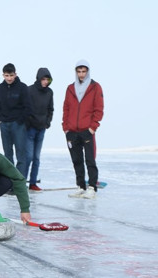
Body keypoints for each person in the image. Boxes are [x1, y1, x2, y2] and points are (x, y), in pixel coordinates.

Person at [62, 59, 104, 199]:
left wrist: (93, 127)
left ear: (88, 71)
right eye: (79, 71)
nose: (81, 74)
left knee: (90, 160)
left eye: (84, 71)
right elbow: (66, 108)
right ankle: (81, 186)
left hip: (87, 130)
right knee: (77, 160)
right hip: (72, 131)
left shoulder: (95, 87)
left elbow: (99, 109)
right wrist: (66, 128)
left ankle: (92, 187)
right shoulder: (70, 88)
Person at [0, 63, 33, 176]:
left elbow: (28, 107)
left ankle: (19, 183)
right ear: (3, 75)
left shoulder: (22, 87)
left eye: (11, 75)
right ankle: (9, 182)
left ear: (15, 74)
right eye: (7, 75)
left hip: (18, 125)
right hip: (4, 124)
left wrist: (20, 121)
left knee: (21, 155)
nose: (9, 78)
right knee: (7, 155)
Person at [25, 67, 54, 191]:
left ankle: (33, 183)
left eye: (47, 79)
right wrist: (28, 123)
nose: (45, 81)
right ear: (38, 78)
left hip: (42, 128)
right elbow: (25, 108)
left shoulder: (49, 92)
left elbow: (50, 109)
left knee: (36, 157)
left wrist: (47, 123)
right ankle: (21, 182)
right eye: (43, 79)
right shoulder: (29, 90)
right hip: (30, 129)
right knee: (28, 157)